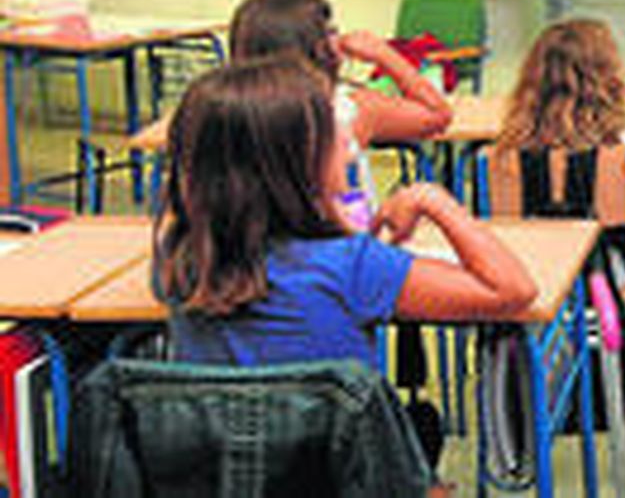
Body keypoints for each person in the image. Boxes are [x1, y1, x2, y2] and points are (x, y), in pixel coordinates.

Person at [154, 56, 536, 481]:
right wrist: (433, 198)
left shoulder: (178, 260)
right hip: (349, 480)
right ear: (298, 163)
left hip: (228, 480)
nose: (350, 141)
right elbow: (513, 290)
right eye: (333, 132)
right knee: (423, 430)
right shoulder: (353, 267)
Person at [487, 18, 625, 411]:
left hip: (528, 287)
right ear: (609, 77)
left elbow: (500, 236)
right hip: (609, 291)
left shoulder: (499, 155)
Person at [229, 0, 453, 226]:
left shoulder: (221, 108)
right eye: (330, 32)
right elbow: (436, 114)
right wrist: (384, 54)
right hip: (341, 248)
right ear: (316, 47)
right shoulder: (347, 108)